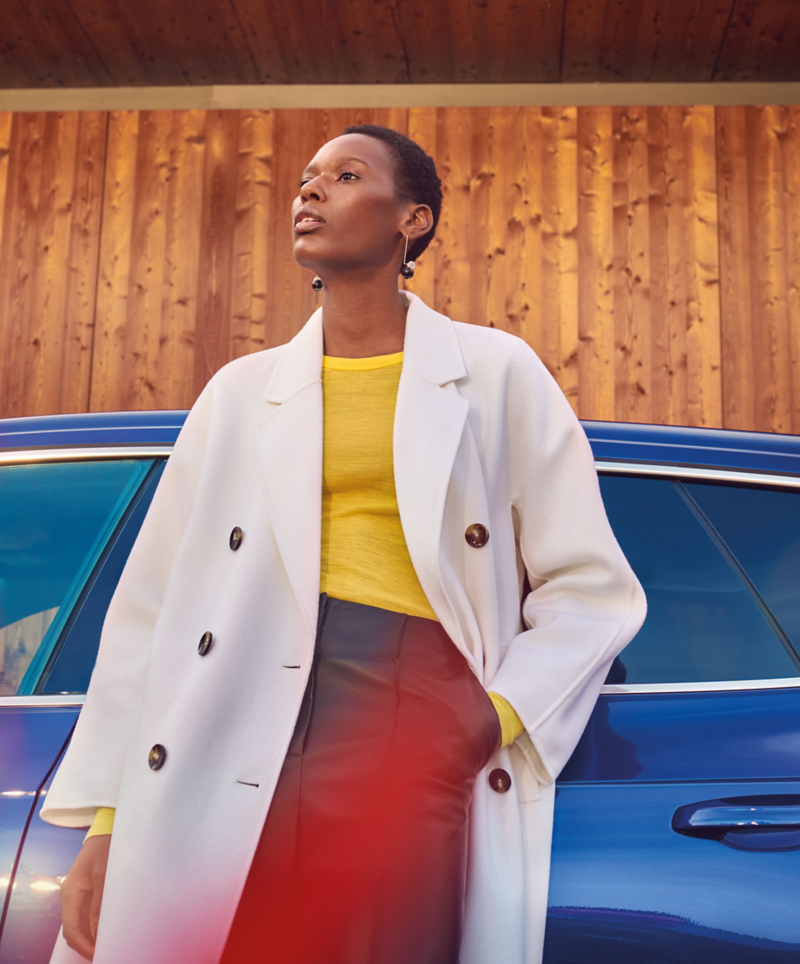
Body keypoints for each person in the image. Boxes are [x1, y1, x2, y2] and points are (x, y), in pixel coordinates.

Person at [43, 124, 646, 964]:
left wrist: (481, 720)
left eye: (345, 175)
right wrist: (110, 821)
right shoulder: (238, 393)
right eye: (304, 179)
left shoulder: (499, 371)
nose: (309, 192)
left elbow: (591, 586)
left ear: (413, 220)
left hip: (409, 713)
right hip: (233, 715)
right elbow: (151, 615)